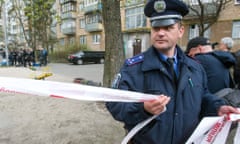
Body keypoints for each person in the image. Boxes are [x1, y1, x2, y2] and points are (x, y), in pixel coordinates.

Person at [106, 0, 240, 144]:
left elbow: (203, 96)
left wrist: (218, 107)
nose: (161, 33)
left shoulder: (195, 67)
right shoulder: (133, 68)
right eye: (156, 28)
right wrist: (143, 109)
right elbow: (114, 104)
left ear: (180, 31)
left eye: (168, 27)